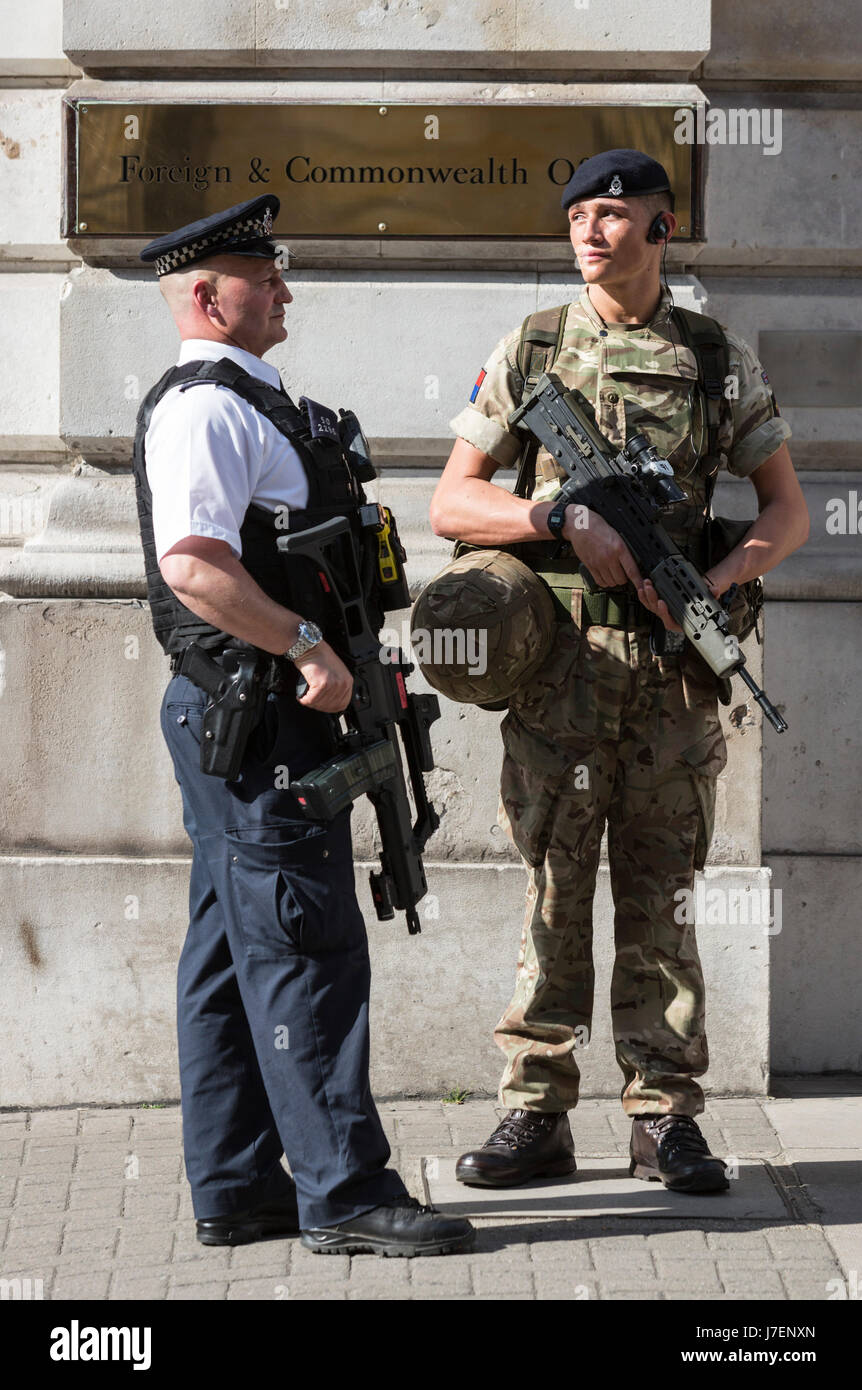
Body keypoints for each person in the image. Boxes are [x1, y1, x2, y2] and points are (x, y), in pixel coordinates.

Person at [429, 150, 809, 1192]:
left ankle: (663, 1116)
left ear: (658, 226)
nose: (591, 233)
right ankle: (534, 1111)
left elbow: (788, 512)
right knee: (552, 895)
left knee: (662, 904)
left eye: (612, 214)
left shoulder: (710, 356)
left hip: (673, 683)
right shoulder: (536, 346)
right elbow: (450, 503)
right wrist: (559, 515)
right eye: (578, 217)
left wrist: (722, 575)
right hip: (563, 676)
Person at [133, 195, 473, 1256]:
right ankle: (345, 1189)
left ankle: (237, 1186)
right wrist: (303, 645)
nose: (283, 289)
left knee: (233, 953)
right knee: (302, 942)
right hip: (265, 715)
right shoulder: (207, 407)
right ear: (203, 293)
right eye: (260, 274)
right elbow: (193, 565)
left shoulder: (259, 403)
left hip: (269, 714)